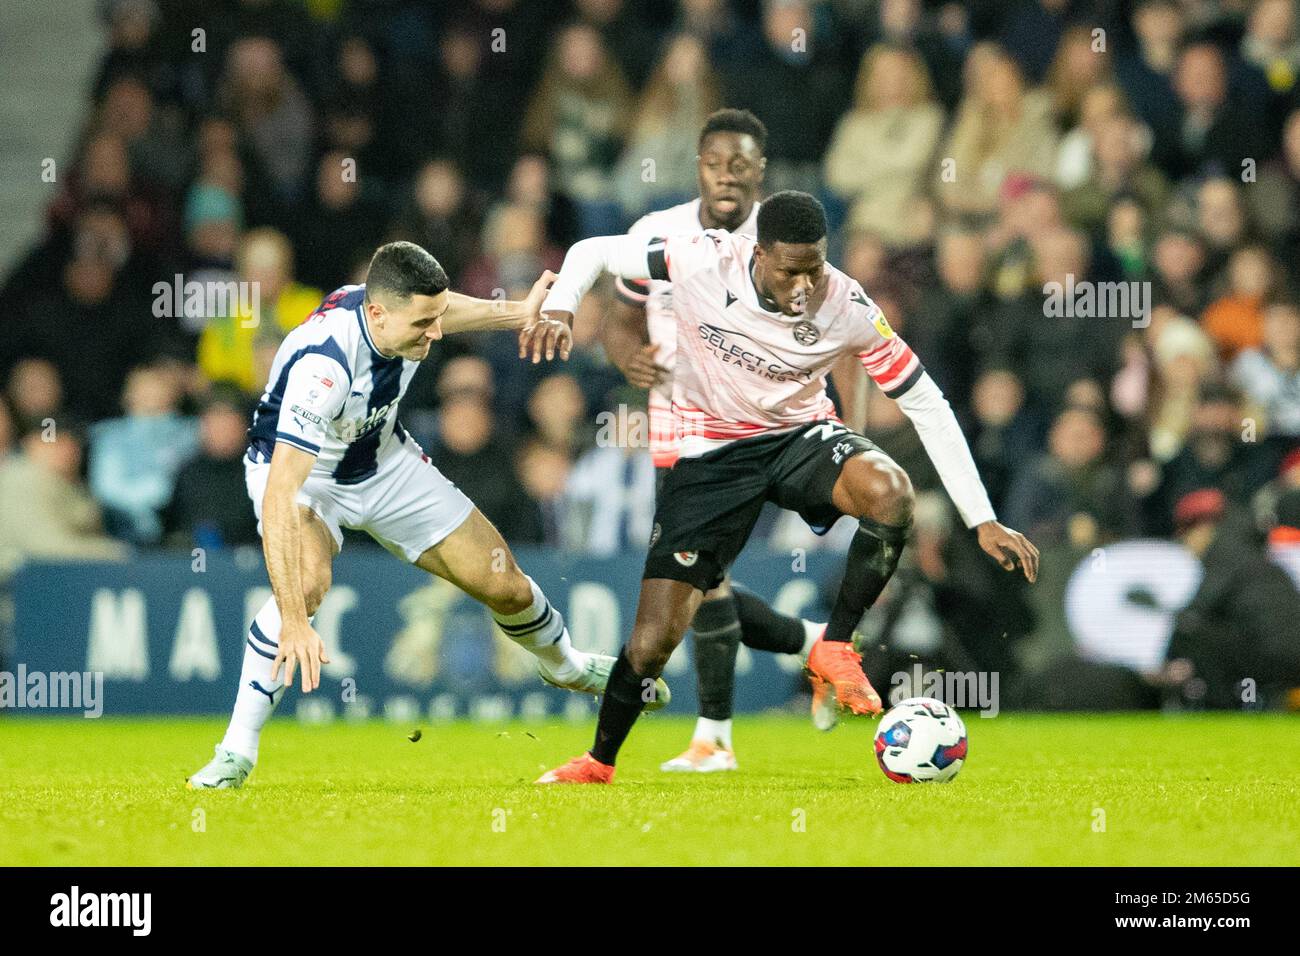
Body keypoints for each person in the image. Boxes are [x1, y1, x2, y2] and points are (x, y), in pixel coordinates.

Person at [521, 191, 1039, 784]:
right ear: (759, 254)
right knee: (652, 641)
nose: (803, 285)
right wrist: (561, 306)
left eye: (814, 267)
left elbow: (926, 401)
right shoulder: (701, 258)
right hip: (712, 453)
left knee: (891, 491)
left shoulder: (847, 303)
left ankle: (835, 647)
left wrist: (982, 518)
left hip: (799, 436)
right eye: (790, 270)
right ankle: (598, 762)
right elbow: (591, 250)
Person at [187, 241, 666, 789]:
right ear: (377, 314)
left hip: (384, 462)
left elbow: (447, 309)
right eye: (422, 324)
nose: (435, 334)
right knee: (307, 581)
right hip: (303, 478)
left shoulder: (398, 312)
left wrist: (516, 312)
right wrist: (295, 620)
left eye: (435, 319)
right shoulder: (324, 368)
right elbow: (279, 495)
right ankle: (235, 752)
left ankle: (568, 667)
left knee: (503, 583)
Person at [600, 110, 827, 774]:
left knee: (696, 580)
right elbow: (618, 319)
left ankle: (717, 736)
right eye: (715, 163)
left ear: (761, 171)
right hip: (675, 430)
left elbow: (821, 330)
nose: (727, 176)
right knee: (700, 583)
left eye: (742, 164)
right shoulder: (655, 234)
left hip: (753, 432)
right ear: (697, 165)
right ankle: (809, 648)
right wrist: (627, 359)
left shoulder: (785, 242)